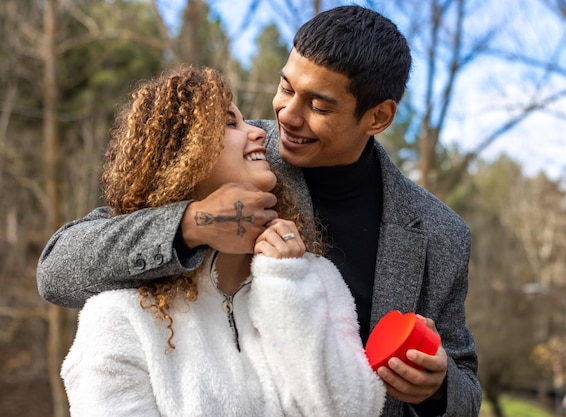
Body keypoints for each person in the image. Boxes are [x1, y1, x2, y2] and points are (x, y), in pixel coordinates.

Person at [38, 6, 481, 417]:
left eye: (319, 105)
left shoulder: (442, 236)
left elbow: (465, 383)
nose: (287, 114)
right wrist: (196, 222)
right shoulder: (229, 158)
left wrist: (438, 387)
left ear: (379, 117)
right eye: (286, 87)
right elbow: (59, 268)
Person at [59, 66, 386, 416]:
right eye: (231, 123)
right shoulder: (118, 316)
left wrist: (286, 286)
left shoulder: (314, 278)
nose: (259, 133)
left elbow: (352, 408)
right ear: (183, 155)